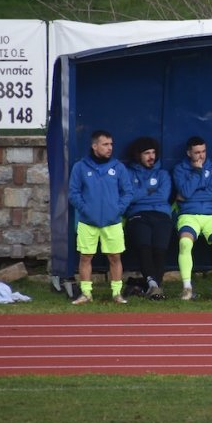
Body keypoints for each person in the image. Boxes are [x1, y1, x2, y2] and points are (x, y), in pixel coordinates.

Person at [68, 129, 133, 305]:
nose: (109, 148)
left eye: (111, 144)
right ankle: (86, 293)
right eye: (105, 144)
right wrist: (85, 209)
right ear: (94, 146)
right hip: (88, 221)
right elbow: (73, 193)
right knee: (85, 257)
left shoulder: (118, 167)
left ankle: (117, 293)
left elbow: (128, 192)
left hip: (112, 221)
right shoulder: (80, 167)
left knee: (115, 257)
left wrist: (117, 209)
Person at [173, 136, 212, 302]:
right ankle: (187, 288)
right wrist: (197, 173)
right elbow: (184, 192)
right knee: (185, 243)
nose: (201, 156)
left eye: (203, 151)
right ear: (189, 153)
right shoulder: (180, 169)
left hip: (211, 215)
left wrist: (190, 193)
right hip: (188, 214)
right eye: (197, 152)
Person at [124, 136, 173, 300]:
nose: (151, 156)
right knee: (144, 246)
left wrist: (141, 192)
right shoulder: (128, 172)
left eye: (153, 153)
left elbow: (163, 196)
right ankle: (153, 285)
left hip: (161, 214)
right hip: (138, 214)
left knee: (160, 249)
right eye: (146, 153)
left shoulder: (163, 173)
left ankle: (153, 285)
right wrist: (149, 190)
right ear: (138, 155)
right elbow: (129, 197)